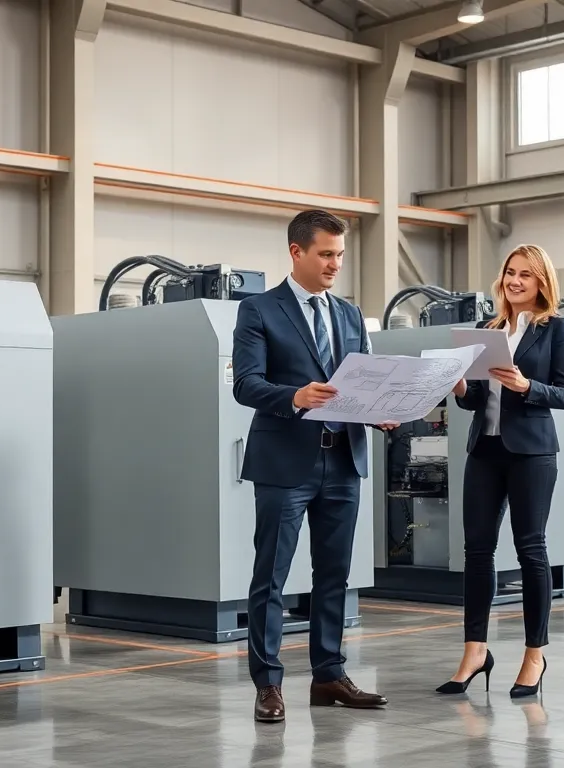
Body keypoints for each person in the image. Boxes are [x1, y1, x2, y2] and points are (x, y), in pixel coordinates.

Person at [232, 209, 395, 723]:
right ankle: (268, 683)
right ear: (296, 251)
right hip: (285, 462)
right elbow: (245, 384)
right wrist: (294, 396)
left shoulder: (349, 314)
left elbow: (362, 380)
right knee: (271, 577)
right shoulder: (259, 309)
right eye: (326, 254)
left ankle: (328, 675)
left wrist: (381, 409)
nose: (335, 264)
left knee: (334, 575)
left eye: (340, 255)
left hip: (343, 459)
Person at [437, 244, 564, 699]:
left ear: (542, 282)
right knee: (477, 551)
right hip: (485, 448)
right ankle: (475, 652)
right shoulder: (489, 329)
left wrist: (526, 385)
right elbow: (477, 400)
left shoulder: (557, 329)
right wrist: (461, 386)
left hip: (531, 452)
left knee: (531, 549)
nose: (515, 281)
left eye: (525, 275)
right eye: (510, 272)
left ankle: (535, 654)